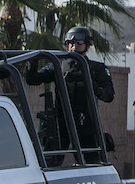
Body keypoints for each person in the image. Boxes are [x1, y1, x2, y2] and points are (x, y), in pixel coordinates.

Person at [26, 26, 115, 164]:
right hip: (61, 123)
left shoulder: (97, 68)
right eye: (71, 43)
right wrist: (32, 63)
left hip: (86, 124)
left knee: (92, 165)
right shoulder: (57, 65)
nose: (74, 46)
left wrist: (96, 89)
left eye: (79, 43)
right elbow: (33, 80)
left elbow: (109, 95)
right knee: (49, 164)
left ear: (87, 45)